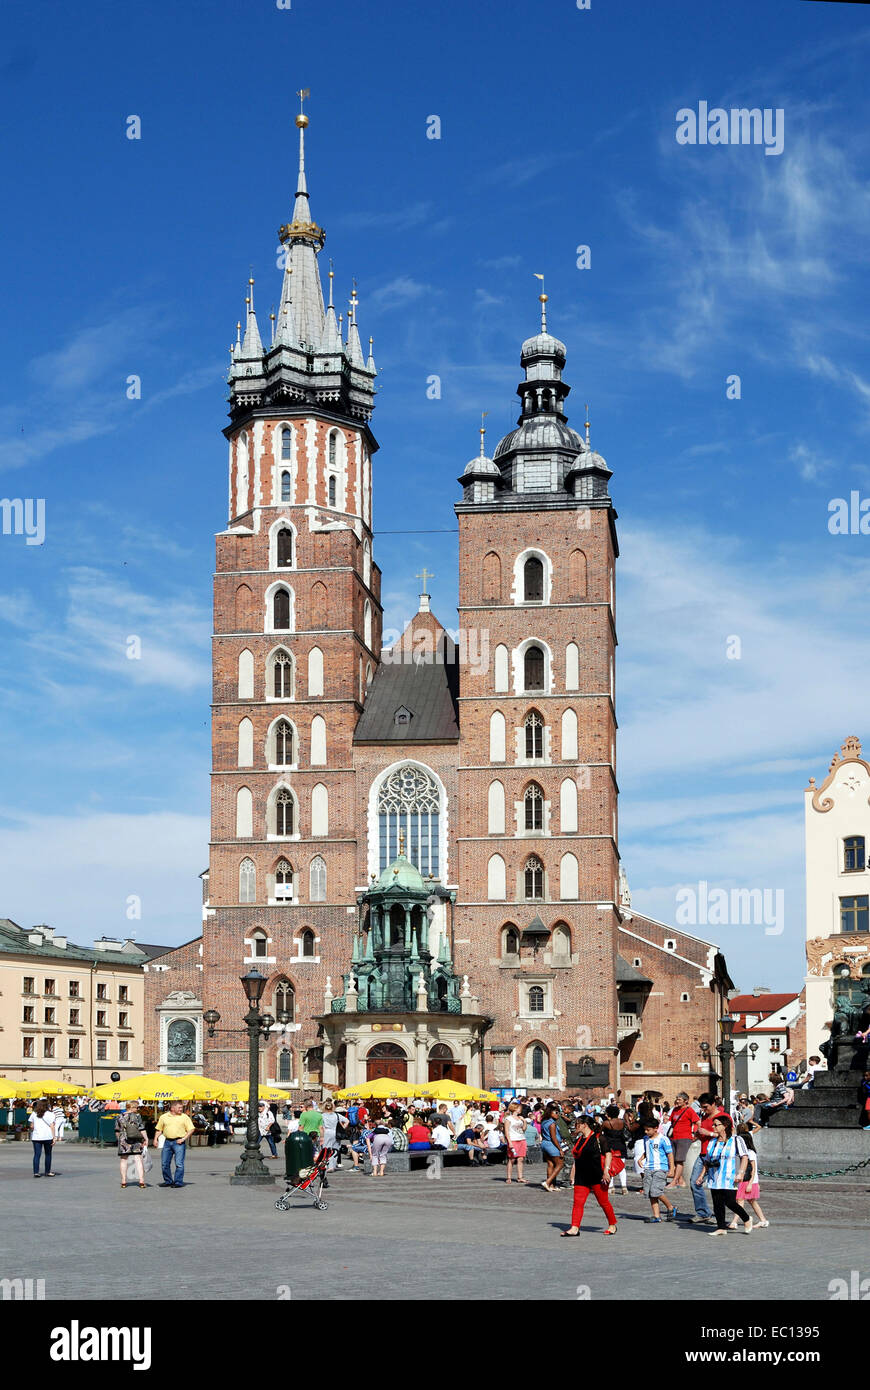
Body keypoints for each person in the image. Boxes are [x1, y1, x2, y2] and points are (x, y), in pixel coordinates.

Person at [560, 1115, 617, 1238]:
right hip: (582, 1176)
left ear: (584, 1125)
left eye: (577, 1124)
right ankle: (574, 1228)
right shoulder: (579, 1140)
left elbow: (608, 1154)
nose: (575, 1126)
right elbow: (578, 1158)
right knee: (578, 1202)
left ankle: (612, 1224)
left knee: (603, 1202)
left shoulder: (599, 1138)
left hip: (597, 1175)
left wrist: (606, 1171)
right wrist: (573, 1172)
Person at [699, 1114, 752, 1236]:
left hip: (729, 1176)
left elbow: (744, 1157)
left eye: (716, 1124)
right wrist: (702, 1175)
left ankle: (746, 1218)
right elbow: (707, 1161)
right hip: (714, 1176)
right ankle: (721, 1227)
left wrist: (741, 1173)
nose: (713, 1127)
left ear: (725, 1126)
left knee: (730, 1202)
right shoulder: (712, 1142)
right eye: (713, 1124)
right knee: (717, 1203)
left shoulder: (736, 1140)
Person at [686, 1093, 725, 1225]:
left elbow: (727, 1135)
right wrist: (697, 1135)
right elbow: (703, 1132)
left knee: (716, 1186)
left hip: (715, 1155)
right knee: (694, 1183)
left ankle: (719, 1214)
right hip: (703, 1154)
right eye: (702, 1107)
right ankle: (703, 1213)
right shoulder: (705, 1116)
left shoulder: (722, 1117)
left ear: (713, 1104)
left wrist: (709, 1133)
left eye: (706, 1107)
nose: (703, 1109)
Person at [729, 1124, 769, 1228]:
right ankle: (763, 1220)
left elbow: (753, 1169)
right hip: (745, 1179)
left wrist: (751, 1183)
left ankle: (735, 1221)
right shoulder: (744, 1152)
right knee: (750, 1201)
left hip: (748, 1180)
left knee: (740, 1200)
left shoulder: (750, 1153)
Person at [638, 1119, 676, 1223]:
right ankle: (656, 1215)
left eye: (648, 1130)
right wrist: (641, 1158)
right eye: (645, 1130)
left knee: (656, 1191)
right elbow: (647, 1151)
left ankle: (670, 1207)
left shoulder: (663, 1139)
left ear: (655, 1129)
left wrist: (671, 1168)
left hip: (660, 1168)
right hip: (648, 1168)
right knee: (650, 1192)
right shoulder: (646, 1139)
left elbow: (669, 1154)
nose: (646, 1132)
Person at [155, 1100, 195, 1189]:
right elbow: (159, 1129)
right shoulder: (164, 1117)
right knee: (165, 1163)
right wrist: (155, 1139)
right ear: (172, 1108)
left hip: (179, 1142)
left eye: (182, 1107)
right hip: (167, 1142)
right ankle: (168, 1181)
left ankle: (178, 1182)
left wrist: (184, 1138)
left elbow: (191, 1129)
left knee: (179, 1163)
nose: (181, 1109)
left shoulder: (184, 1117)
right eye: (179, 1108)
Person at [115, 1100, 147, 1188]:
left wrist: (119, 1139)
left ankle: (123, 1181)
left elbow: (117, 1130)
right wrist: (146, 1138)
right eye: (136, 1107)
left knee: (123, 1159)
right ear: (131, 1107)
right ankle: (141, 1181)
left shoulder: (119, 1116)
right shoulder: (137, 1116)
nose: (137, 1109)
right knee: (138, 1159)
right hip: (136, 1139)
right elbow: (141, 1128)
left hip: (123, 1139)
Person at [666, 1092, 696, 1188]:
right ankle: (681, 1180)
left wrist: (694, 1134)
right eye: (676, 1099)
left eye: (679, 1099)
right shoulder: (675, 1110)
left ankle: (674, 1181)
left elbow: (697, 1122)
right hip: (673, 1137)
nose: (677, 1101)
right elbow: (671, 1121)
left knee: (679, 1160)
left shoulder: (689, 1110)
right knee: (672, 1159)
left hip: (684, 1138)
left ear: (685, 1101)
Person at [600, 1104, 628, 1196]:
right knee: (621, 1166)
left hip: (610, 1145)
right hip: (621, 1144)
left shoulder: (606, 1123)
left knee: (609, 1166)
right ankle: (624, 1187)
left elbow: (599, 1132)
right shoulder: (622, 1122)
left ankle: (611, 1187)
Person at [540, 1103, 565, 1192]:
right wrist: (560, 1149)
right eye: (556, 1112)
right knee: (560, 1164)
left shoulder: (544, 1121)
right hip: (552, 1145)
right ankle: (548, 1182)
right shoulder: (552, 1124)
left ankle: (551, 1185)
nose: (557, 1114)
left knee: (550, 1164)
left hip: (544, 1144)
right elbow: (553, 1137)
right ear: (551, 1112)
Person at [29, 1100, 56, 1178]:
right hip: (48, 1136)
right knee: (48, 1154)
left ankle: (36, 1172)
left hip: (36, 1137)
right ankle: (47, 1172)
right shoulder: (51, 1114)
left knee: (37, 1155)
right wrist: (54, 1137)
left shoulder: (34, 1113)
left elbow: (31, 1126)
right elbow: (52, 1126)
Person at [504, 1101, 529, 1185]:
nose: (520, 1110)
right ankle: (509, 1177)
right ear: (514, 1108)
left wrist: (524, 1121)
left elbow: (524, 1129)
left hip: (521, 1139)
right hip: (513, 1140)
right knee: (512, 1159)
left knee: (521, 1159)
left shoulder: (520, 1118)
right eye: (519, 1108)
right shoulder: (508, 1119)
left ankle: (520, 1177)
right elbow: (506, 1131)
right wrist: (509, 1142)